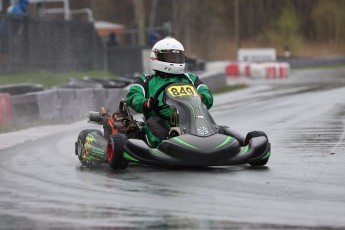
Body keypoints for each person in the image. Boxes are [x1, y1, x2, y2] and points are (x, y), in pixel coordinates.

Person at [126, 37, 213, 147]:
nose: (175, 61)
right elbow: (133, 96)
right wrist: (147, 103)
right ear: (157, 58)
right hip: (161, 121)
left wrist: (200, 97)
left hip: (190, 120)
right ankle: (166, 145)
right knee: (154, 122)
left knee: (214, 125)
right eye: (171, 57)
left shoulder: (191, 78)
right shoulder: (145, 80)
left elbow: (207, 94)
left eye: (178, 57)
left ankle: (227, 141)